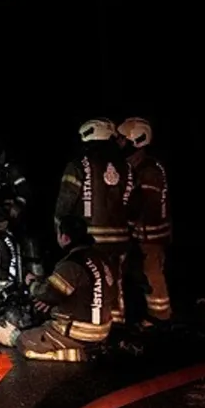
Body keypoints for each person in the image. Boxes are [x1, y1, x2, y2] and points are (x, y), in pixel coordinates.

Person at [0, 215, 117, 362]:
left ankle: (80, 354)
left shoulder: (71, 265)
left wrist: (32, 283)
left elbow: (46, 293)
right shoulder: (100, 258)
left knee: (27, 344)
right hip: (103, 330)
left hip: (78, 332)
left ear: (65, 238)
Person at [54, 118, 133, 324]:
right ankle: (118, 324)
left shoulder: (79, 165)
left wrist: (61, 231)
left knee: (93, 283)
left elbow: (65, 203)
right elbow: (130, 202)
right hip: (121, 240)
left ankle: (95, 326)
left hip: (90, 240)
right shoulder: (126, 166)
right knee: (116, 282)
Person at [117, 117, 172, 326]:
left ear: (136, 140)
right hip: (140, 235)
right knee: (138, 277)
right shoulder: (133, 166)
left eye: (123, 138)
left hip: (151, 237)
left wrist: (126, 216)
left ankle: (160, 317)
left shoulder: (149, 169)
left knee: (152, 277)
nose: (119, 143)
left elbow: (146, 205)